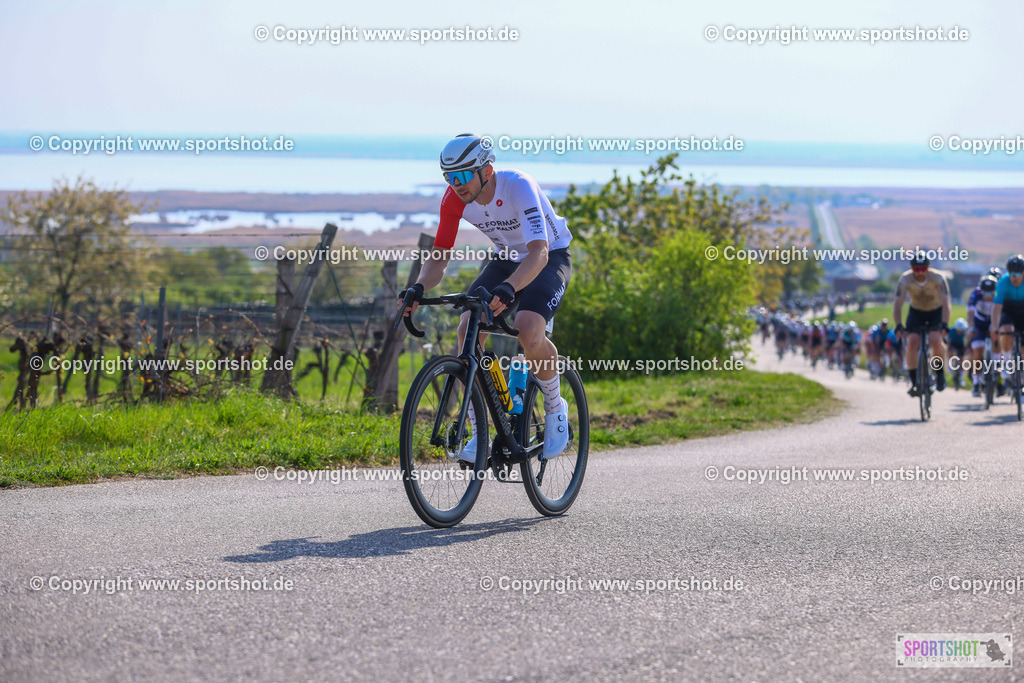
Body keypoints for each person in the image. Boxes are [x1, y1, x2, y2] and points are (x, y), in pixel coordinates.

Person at [401, 133, 573, 462]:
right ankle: (480, 431)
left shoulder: (518, 186)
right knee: (468, 329)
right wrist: (418, 288)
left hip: (548, 257)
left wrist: (510, 287)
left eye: (464, 175)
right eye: (450, 178)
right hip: (505, 256)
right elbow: (439, 257)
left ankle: (555, 408)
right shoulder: (454, 199)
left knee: (527, 328)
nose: (457, 184)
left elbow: (539, 251)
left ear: (487, 171)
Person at [893, 251, 951, 396]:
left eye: (923, 269)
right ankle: (914, 382)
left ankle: (939, 373)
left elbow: (946, 303)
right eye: (916, 269)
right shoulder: (905, 280)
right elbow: (898, 304)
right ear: (911, 268)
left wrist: (944, 323)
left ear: (928, 267)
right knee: (912, 341)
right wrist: (898, 324)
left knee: (935, 340)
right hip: (916, 312)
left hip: (935, 311)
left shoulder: (938, 278)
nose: (919, 273)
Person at [990, 255, 1024, 396]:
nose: (1014, 277)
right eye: (1011, 274)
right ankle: (1007, 363)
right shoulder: (1003, 282)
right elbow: (997, 307)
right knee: (1006, 331)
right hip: (1008, 310)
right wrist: (995, 327)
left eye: (1017, 274)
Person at [967, 276, 998, 397]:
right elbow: (970, 314)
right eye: (985, 292)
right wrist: (971, 327)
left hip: (993, 321)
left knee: (997, 340)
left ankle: (996, 367)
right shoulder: (975, 294)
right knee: (978, 351)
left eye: (991, 293)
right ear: (981, 290)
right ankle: (975, 382)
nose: (988, 295)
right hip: (979, 323)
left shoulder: (999, 294)